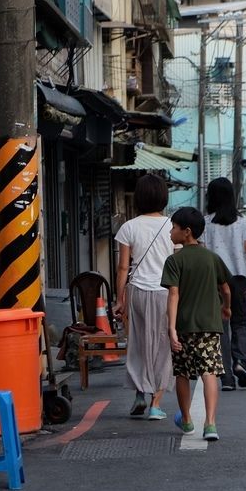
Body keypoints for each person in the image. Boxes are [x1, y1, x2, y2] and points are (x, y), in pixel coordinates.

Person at [161, 207, 232, 442]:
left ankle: (188, 420)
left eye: (174, 227)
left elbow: (173, 294)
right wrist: (226, 307)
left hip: (183, 327)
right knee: (209, 372)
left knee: (182, 373)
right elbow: (225, 288)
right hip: (209, 326)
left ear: (187, 232)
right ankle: (210, 424)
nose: (171, 231)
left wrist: (171, 329)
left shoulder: (174, 261)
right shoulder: (212, 258)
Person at [112, 173, 174, 420]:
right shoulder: (172, 226)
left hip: (137, 291)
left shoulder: (129, 227)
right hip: (165, 293)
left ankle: (139, 391)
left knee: (138, 343)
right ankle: (155, 404)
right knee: (163, 346)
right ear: (163, 197)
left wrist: (120, 299)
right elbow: (177, 265)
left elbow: (123, 268)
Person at [202, 177, 246, 391]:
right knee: (240, 323)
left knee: (221, 328)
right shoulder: (242, 221)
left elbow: (202, 253)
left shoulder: (207, 222)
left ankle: (226, 379)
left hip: (215, 280)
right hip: (238, 279)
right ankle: (240, 362)